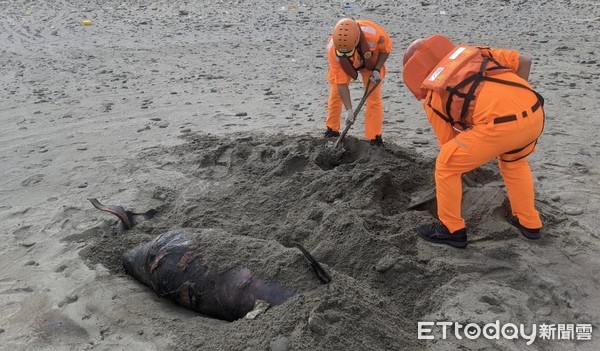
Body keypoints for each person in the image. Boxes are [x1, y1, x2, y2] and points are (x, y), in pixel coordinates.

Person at [402, 34, 545, 248]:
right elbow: (524, 61)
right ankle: (529, 223)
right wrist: (513, 104)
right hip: (535, 111)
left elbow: (448, 144)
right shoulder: (479, 53)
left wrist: (479, 137)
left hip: (499, 126)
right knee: (515, 163)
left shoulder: (433, 94)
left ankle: (451, 229)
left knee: (446, 165)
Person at [325, 18, 393, 147]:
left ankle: (374, 138)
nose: (348, 55)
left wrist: (377, 69)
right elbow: (341, 84)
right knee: (335, 93)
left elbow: (385, 50)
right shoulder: (332, 49)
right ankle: (332, 130)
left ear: (356, 41)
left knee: (373, 98)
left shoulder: (374, 34)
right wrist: (349, 110)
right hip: (344, 65)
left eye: (349, 52)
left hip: (371, 62)